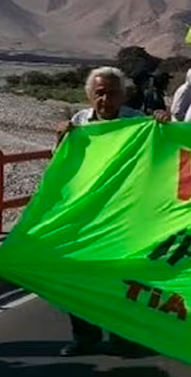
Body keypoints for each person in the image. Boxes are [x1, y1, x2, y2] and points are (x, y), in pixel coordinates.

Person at [59, 67, 156, 357]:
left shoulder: (138, 122)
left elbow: (159, 155)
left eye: (112, 93)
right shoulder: (80, 122)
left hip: (124, 216)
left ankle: (122, 337)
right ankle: (84, 337)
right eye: (99, 93)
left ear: (123, 95)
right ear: (90, 95)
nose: (105, 99)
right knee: (79, 279)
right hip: (87, 217)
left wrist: (164, 124)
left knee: (119, 280)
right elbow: (62, 165)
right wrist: (61, 138)